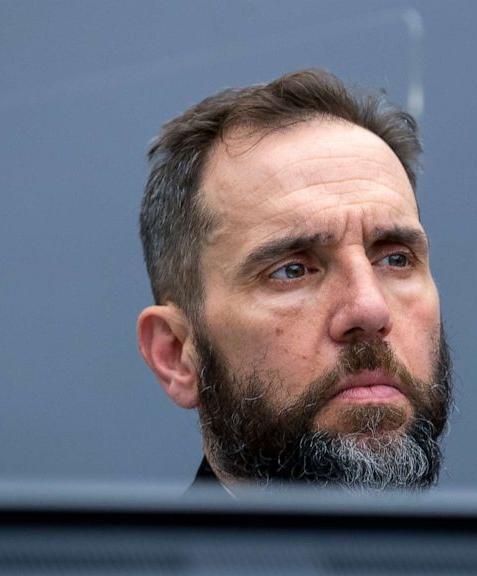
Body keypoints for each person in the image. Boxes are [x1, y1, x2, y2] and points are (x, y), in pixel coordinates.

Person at [136, 69, 452, 492]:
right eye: (292, 270)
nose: (370, 309)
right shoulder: (97, 558)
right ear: (176, 353)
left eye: (396, 259)